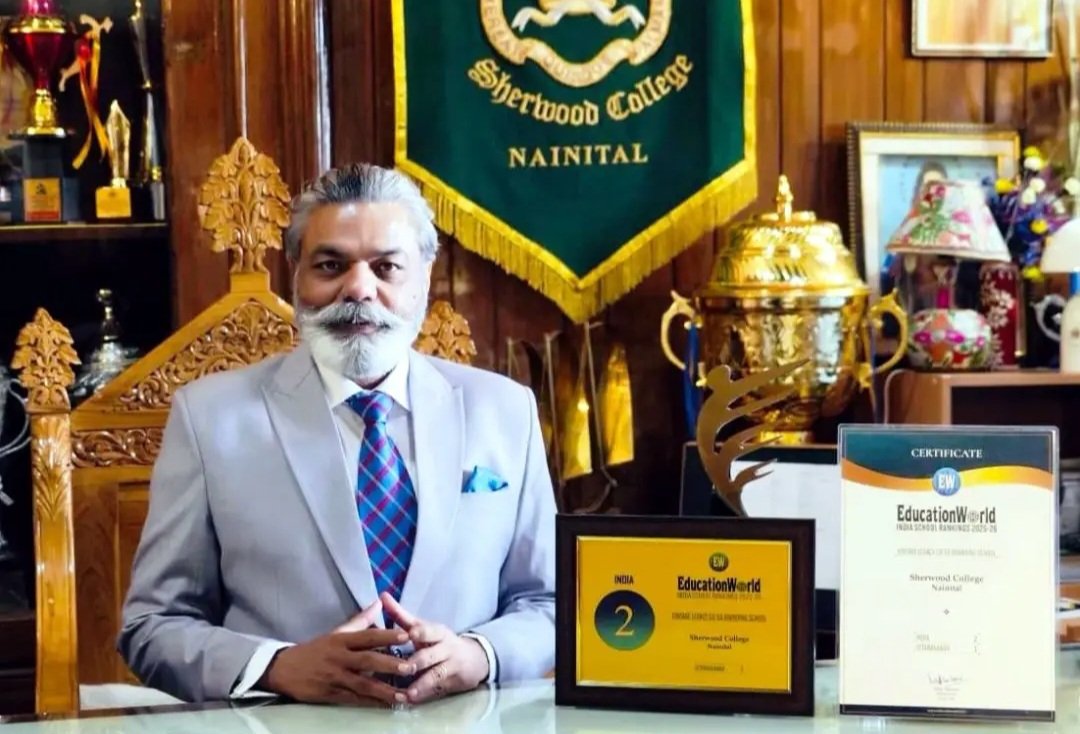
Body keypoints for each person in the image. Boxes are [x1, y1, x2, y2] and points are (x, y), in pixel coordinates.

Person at [117, 163, 557, 707]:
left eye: (387, 267)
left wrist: (479, 654)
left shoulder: (505, 411)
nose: (359, 289)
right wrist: (276, 666)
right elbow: (152, 626)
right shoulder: (210, 419)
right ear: (296, 275)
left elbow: (550, 602)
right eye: (331, 265)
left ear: (424, 277)